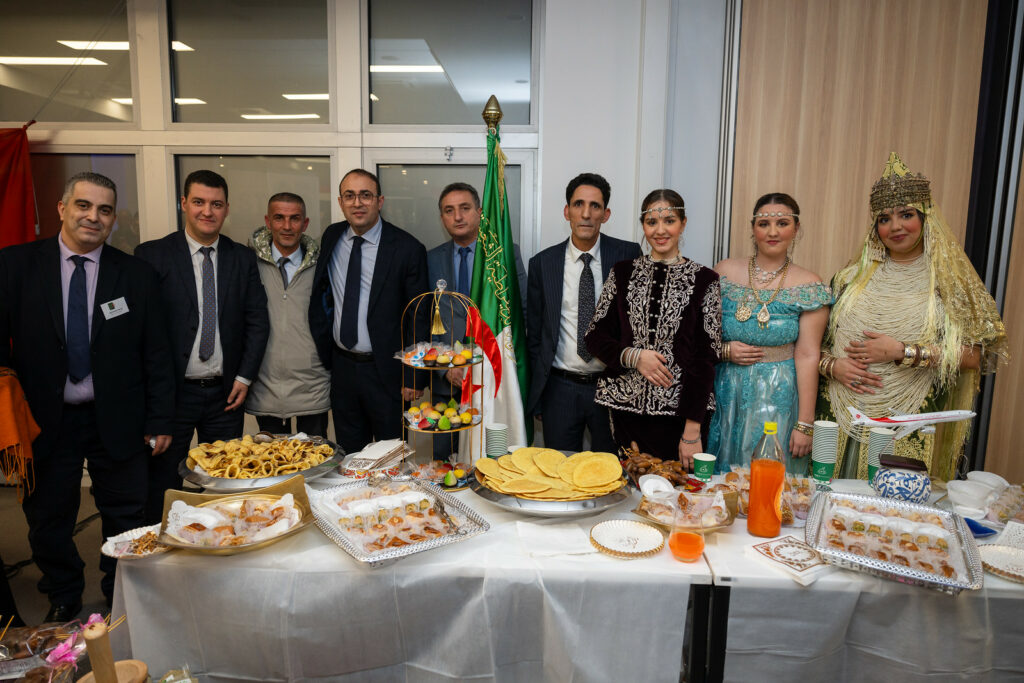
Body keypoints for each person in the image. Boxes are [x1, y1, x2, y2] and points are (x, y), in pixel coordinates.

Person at [0, 172, 174, 620]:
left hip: (118, 419)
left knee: (127, 514)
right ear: (62, 208)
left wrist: (159, 420)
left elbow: (156, 353)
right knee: (48, 518)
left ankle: (119, 588)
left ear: (114, 219)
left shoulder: (135, 275)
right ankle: (63, 592)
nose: (92, 217)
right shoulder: (15, 266)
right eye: (83, 206)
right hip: (44, 420)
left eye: (104, 210)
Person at [818, 153, 1008, 480]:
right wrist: (834, 366)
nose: (895, 226)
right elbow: (812, 348)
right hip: (839, 412)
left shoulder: (948, 282)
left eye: (906, 215)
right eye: (884, 218)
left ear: (925, 218)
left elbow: (980, 356)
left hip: (910, 417)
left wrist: (901, 352)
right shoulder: (848, 279)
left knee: (893, 516)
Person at [135, 170, 269, 523]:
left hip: (225, 395)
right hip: (171, 396)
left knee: (224, 484)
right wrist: (153, 403)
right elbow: (142, 334)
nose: (207, 211)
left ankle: (219, 550)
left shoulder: (242, 258)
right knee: (164, 485)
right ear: (183, 204)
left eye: (216, 204)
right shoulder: (151, 257)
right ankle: (163, 558)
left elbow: (257, 321)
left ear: (226, 210)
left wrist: (245, 377)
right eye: (198, 202)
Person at [585, 189, 720, 469]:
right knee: (625, 496)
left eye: (669, 221)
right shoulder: (622, 273)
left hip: (681, 416)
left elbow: (706, 358)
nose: (660, 230)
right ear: (643, 225)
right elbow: (595, 336)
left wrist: (692, 431)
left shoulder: (706, 280)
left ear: (683, 223)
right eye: (651, 222)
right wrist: (635, 357)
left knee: (675, 497)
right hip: (623, 411)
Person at [707, 193, 831, 474]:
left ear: (796, 228)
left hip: (779, 394)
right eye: (764, 223)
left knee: (768, 479)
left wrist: (805, 424)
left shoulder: (809, 284)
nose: (773, 232)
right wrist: (725, 351)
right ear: (753, 228)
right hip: (726, 390)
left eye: (782, 223)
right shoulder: (724, 273)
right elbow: (700, 339)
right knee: (722, 481)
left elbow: (809, 354)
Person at [309, 169, 429, 455]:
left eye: (366, 195)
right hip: (342, 369)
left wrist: (414, 376)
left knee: (390, 456)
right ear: (340, 202)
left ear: (380, 201)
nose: (357, 203)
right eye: (350, 196)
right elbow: (323, 294)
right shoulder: (332, 236)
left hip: (387, 373)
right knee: (349, 457)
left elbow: (419, 316)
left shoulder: (407, 248)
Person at [526, 173, 641, 453]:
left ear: (606, 213)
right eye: (578, 204)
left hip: (613, 385)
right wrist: (538, 397)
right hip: (560, 389)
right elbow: (535, 335)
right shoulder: (543, 263)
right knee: (560, 475)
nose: (586, 214)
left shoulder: (628, 256)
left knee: (612, 473)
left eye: (595, 206)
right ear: (567, 211)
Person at [425, 182, 527, 457]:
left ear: (480, 212)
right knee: (445, 466)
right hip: (447, 386)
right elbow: (427, 320)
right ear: (442, 217)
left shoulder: (503, 255)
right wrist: (446, 367)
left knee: (491, 460)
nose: (457, 217)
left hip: (492, 382)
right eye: (449, 210)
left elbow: (519, 314)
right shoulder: (431, 259)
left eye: (464, 208)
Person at [246, 192, 330, 437]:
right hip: (265, 387)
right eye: (279, 218)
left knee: (313, 468)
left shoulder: (322, 266)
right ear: (268, 221)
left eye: (294, 219)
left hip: (312, 386)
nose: (286, 226)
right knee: (272, 470)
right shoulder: (249, 264)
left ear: (305, 224)